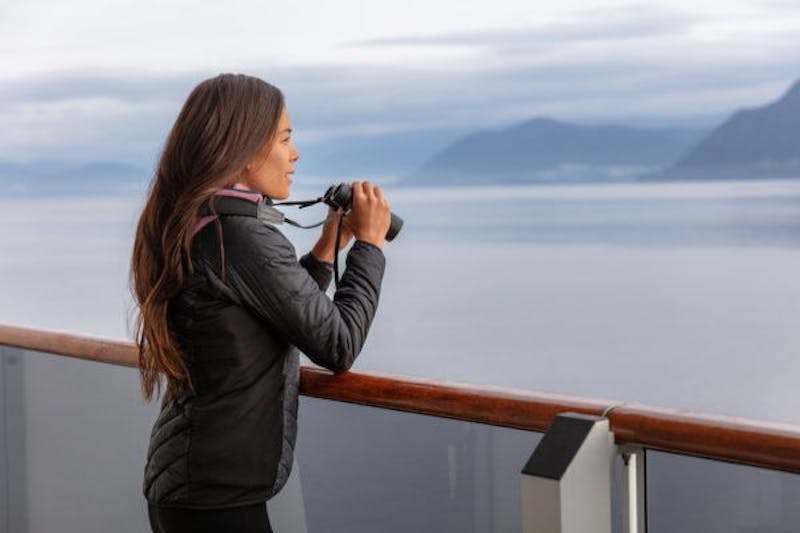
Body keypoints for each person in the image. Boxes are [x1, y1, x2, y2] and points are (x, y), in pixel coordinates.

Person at [130, 73, 390, 532]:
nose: (295, 154)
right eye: (285, 138)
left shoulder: (204, 222)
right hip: (218, 497)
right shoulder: (239, 235)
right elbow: (338, 344)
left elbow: (275, 310)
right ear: (245, 151)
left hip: (199, 486)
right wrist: (369, 246)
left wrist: (328, 247)